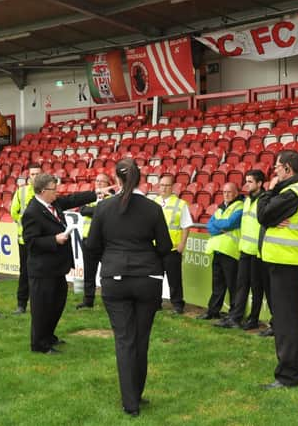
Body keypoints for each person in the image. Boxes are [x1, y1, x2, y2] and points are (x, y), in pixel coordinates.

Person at [87, 158, 172, 417]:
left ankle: (131, 401)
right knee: (140, 339)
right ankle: (135, 394)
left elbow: (92, 246)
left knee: (125, 340)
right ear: (140, 179)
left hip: (115, 279)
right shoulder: (152, 208)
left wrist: (110, 262)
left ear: (117, 180)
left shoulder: (103, 208)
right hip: (147, 279)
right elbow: (166, 247)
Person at [22, 173, 100, 354]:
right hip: (42, 269)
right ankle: (39, 345)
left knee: (57, 304)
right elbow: (31, 242)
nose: (57, 192)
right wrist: (53, 240)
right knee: (42, 308)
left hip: (57, 267)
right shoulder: (32, 212)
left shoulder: (53, 203)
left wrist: (96, 194)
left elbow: (72, 199)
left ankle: (49, 336)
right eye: (53, 189)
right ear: (42, 191)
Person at [257, 150, 298, 389]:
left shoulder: (291, 192)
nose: (275, 171)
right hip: (288, 260)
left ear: (288, 169)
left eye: (278, 168)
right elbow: (269, 216)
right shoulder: (297, 190)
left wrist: (268, 191)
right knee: (293, 318)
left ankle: (287, 376)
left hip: (285, 261)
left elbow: (263, 214)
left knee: (284, 322)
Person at [215, 170, 270, 330]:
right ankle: (236, 317)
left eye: (250, 181)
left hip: (257, 252)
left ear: (260, 183)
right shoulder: (246, 201)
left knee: (256, 287)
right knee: (241, 285)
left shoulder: (264, 201)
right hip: (244, 250)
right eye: (246, 181)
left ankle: (253, 319)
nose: (247, 184)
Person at [199, 182, 243, 320]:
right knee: (217, 284)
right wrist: (221, 227)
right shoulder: (220, 208)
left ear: (236, 193)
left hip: (230, 251)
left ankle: (233, 314)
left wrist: (219, 225)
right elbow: (209, 225)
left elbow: (230, 224)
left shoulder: (240, 206)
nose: (226, 194)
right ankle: (213, 311)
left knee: (232, 285)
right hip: (217, 250)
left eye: (229, 192)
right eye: (224, 192)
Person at [153, 174, 192, 314]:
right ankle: (155, 303)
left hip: (172, 247)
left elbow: (186, 226)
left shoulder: (180, 204)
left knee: (174, 278)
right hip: (155, 247)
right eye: (161, 185)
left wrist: (182, 243)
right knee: (155, 277)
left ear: (172, 187)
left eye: (167, 185)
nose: (163, 188)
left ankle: (177, 304)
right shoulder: (153, 202)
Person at [77, 172, 113, 309]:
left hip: (105, 241)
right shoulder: (91, 196)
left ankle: (109, 298)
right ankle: (88, 301)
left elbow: (102, 211)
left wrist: (93, 210)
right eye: (97, 181)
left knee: (108, 272)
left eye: (102, 182)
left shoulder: (111, 197)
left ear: (108, 184)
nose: (98, 183)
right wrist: (97, 210)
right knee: (89, 272)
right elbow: (82, 210)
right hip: (88, 240)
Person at [10, 163, 42, 314]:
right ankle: (21, 304)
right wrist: (28, 225)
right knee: (25, 272)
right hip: (25, 240)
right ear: (29, 176)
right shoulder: (21, 192)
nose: (35, 176)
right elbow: (13, 213)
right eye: (33, 174)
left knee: (42, 272)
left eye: (37, 174)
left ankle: (40, 303)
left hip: (42, 240)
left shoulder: (45, 191)